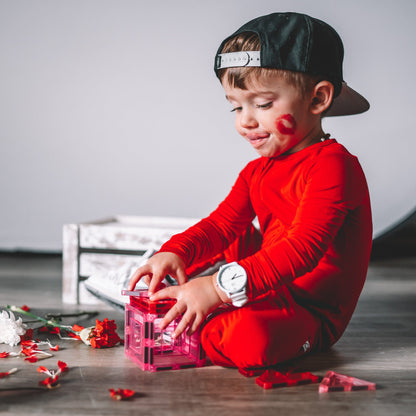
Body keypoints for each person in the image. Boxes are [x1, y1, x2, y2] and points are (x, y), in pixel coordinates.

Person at [128, 12, 372, 371]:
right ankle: (187, 295)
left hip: (310, 309)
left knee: (247, 339)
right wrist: (174, 251)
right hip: (265, 282)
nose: (245, 120)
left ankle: (204, 310)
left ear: (317, 99)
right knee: (220, 241)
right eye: (236, 106)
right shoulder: (257, 171)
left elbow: (302, 250)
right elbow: (221, 225)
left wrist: (217, 288)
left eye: (262, 104)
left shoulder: (334, 165)